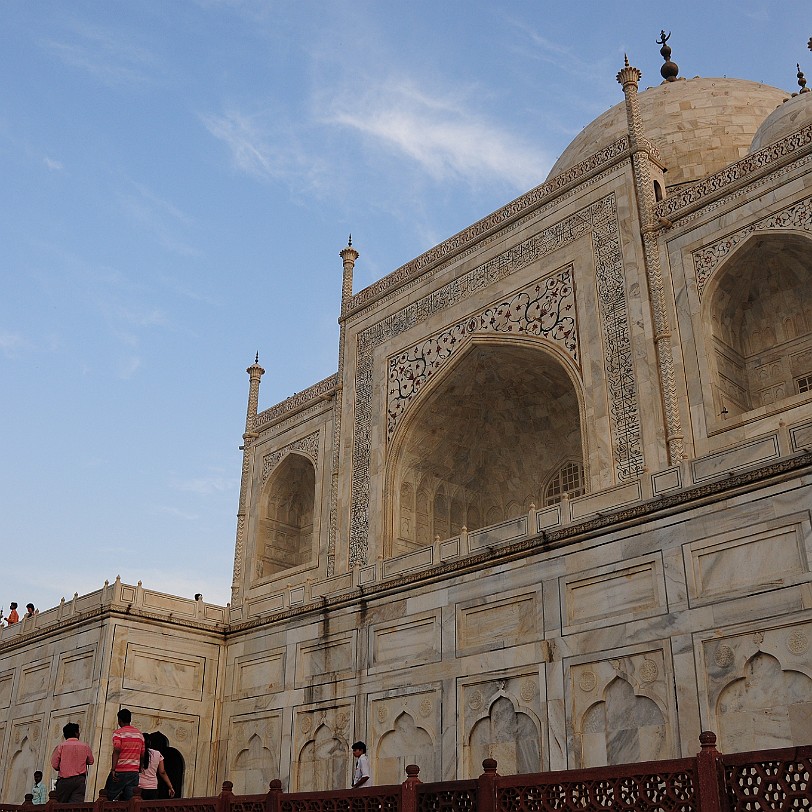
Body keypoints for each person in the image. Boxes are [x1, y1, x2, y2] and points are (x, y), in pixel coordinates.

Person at [107, 708, 145, 801]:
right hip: (134, 772)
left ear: (119, 720)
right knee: (130, 800)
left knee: (108, 797)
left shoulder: (118, 733)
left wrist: (113, 769)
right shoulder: (139, 734)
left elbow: (117, 750)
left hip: (120, 771)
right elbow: (142, 754)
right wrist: (139, 768)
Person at [51, 722, 94, 802]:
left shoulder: (61, 746)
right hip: (79, 780)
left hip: (64, 781)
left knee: (59, 805)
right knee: (75, 806)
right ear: (76, 733)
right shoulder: (85, 746)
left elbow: (55, 765)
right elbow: (91, 761)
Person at [138, 733, 175, 799]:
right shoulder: (157, 754)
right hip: (152, 788)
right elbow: (162, 772)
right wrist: (170, 786)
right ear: (150, 742)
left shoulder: (137, 753)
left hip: (138, 787)